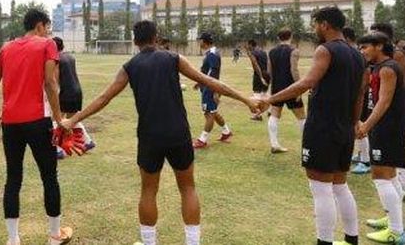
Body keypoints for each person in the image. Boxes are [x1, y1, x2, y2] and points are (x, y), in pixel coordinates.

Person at [61, 20, 259, 245]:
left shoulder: (130, 66)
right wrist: (245, 99)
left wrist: (72, 120)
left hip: (149, 137)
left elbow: (104, 98)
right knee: (188, 188)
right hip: (178, 134)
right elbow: (209, 81)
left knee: (148, 191)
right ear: (156, 37)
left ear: (135, 41)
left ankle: (149, 243)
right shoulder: (173, 58)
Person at [263, 7, 367, 245]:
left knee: (320, 188)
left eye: (315, 24)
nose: (314, 29)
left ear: (325, 25)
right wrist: (354, 122)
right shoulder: (358, 55)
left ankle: (325, 241)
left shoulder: (325, 50)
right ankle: (352, 239)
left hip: (323, 127)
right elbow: (360, 94)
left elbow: (307, 82)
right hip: (344, 128)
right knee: (340, 186)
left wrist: (269, 99)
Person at [0, 9, 74, 245]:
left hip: (11, 123)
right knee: (49, 176)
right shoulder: (47, 45)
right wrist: (58, 119)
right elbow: (50, 82)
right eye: (48, 27)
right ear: (40, 26)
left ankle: (13, 239)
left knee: (13, 178)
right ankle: (55, 235)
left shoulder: (6, 48)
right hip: (38, 121)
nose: (48, 32)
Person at [357, 32, 405, 245]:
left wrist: (366, 126)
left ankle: (396, 231)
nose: (362, 52)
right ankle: (393, 220)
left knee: (380, 175)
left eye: (365, 47)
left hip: (388, 128)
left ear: (379, 46)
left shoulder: (387, 68)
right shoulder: (379, 67)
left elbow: (384, 101)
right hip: (387, 127)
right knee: (390, 175)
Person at [369, 23, 405, 199]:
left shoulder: (397, 55)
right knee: (389, 147)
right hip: (387, 104)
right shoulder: (381, 58)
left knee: (398, 143)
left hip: (398, 105)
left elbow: (400, 84)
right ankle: (399, 183)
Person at [53, 36, 95, 159]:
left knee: (57, 120)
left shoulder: (56, 59)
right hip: (77, 92)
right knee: (73, 119)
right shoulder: (70, 57)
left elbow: (55, 80)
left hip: (65, 93)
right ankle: (87, 142)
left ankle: (58, 150)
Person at [265, 28, 306, 154]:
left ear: (278, 38)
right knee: (301, 116)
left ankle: (274, 144)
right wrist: (299, 88)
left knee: (274, 114)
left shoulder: (271, 52)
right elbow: (294, 70)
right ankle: (308, 145)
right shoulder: (294, 51)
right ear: (291, 37)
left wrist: (272, 87)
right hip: (291, 88)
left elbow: (269, 71)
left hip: (277, 88)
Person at [192, 32, 233, 149]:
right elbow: (207, 72)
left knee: (209, 113)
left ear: (204, 41)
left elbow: (213, 74)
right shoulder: (210, 53)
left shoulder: (212, 54)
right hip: (207, 87)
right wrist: (199, 83)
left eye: (200, 40)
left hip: (210, 89)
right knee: (212, 112)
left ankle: (202, 140)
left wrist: (216, 91)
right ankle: (226, 132)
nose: (199, 42)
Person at [343, 27, 371, 176]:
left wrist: (360, 92)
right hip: (354, 94)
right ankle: (361, 154)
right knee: (355, 125)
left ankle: (365, 161)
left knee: (360, 126)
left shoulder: (358, 54)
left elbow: (366, 76)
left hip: (359, 96)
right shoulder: (354, 53)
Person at [245, 39, 270, 121]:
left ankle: (257, 115)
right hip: (266, 73)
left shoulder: (253, 53)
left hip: (259, 75)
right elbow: (268, 63)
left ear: (251, 45)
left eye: (248, 45)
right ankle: (270, 110)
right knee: (264, 94)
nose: (247, 46)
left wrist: (260, 76)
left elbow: (255, 64)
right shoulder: (263, 51)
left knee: (256, 94)